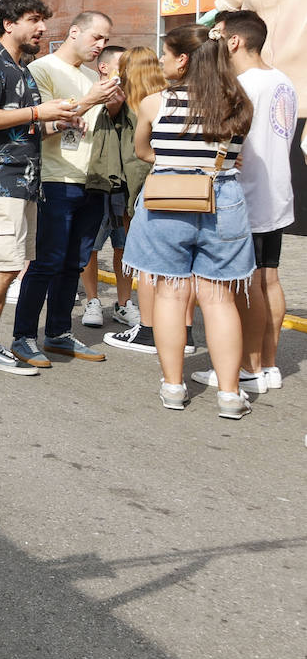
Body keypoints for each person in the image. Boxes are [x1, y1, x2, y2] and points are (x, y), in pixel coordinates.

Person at [123, 23, 255, 418]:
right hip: (223, 197)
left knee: (170, 293)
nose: (161, 60)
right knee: (218, 298)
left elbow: (144, 151)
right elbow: (235, 154)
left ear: (182, 60)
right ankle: (230, 395)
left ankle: (173, 386)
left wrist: (174, 161)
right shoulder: (238, 101)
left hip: (167, 200)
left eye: (165, 54)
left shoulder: (153, 102)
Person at [0, 0, 78, 383]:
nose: (42, 28)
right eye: (34, 19)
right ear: (9, 23)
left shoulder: (19, 69)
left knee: (4, 266)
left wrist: (63, 119)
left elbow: (28, 125)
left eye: (43, 20)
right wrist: (40, 112)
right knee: (4, 265)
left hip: (20, 180)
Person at [191, 10, 298, 393]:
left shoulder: (240, 85)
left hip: (245, 195)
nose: (213, 42)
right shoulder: (282, 80)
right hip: (277, 195)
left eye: (217, 35)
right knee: (268, 278)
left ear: (234, 40)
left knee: (246, 285)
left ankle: (248, 367)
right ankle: (267, 365)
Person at [8, 10, 121, 368]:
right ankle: (23, 336)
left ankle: (57, 333)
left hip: (93, 179)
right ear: (75, 32)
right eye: (96, 38)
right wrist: (89, 101)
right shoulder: (41, 70)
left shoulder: (90, 76)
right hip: (56, 178)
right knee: (45, 262)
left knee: (74, 262)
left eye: (105, 40)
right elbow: (37, 127)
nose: (101, 46)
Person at [103, 47, 171, 355]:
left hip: (130, 185)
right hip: (168, 183)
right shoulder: (169, 98)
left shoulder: (127, 101)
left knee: (139, 255)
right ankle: (168, 321)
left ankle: (146, 326)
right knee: (167, 258)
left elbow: (138, 151)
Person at [79, 45, 132, 326]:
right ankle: (92, 301)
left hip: (123, 183)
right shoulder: (89, 93)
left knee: (124, 246)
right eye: (123, 63)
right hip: (96, 180)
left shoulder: (132, 95)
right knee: (91, 245)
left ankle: (124, 303)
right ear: (104, 68)